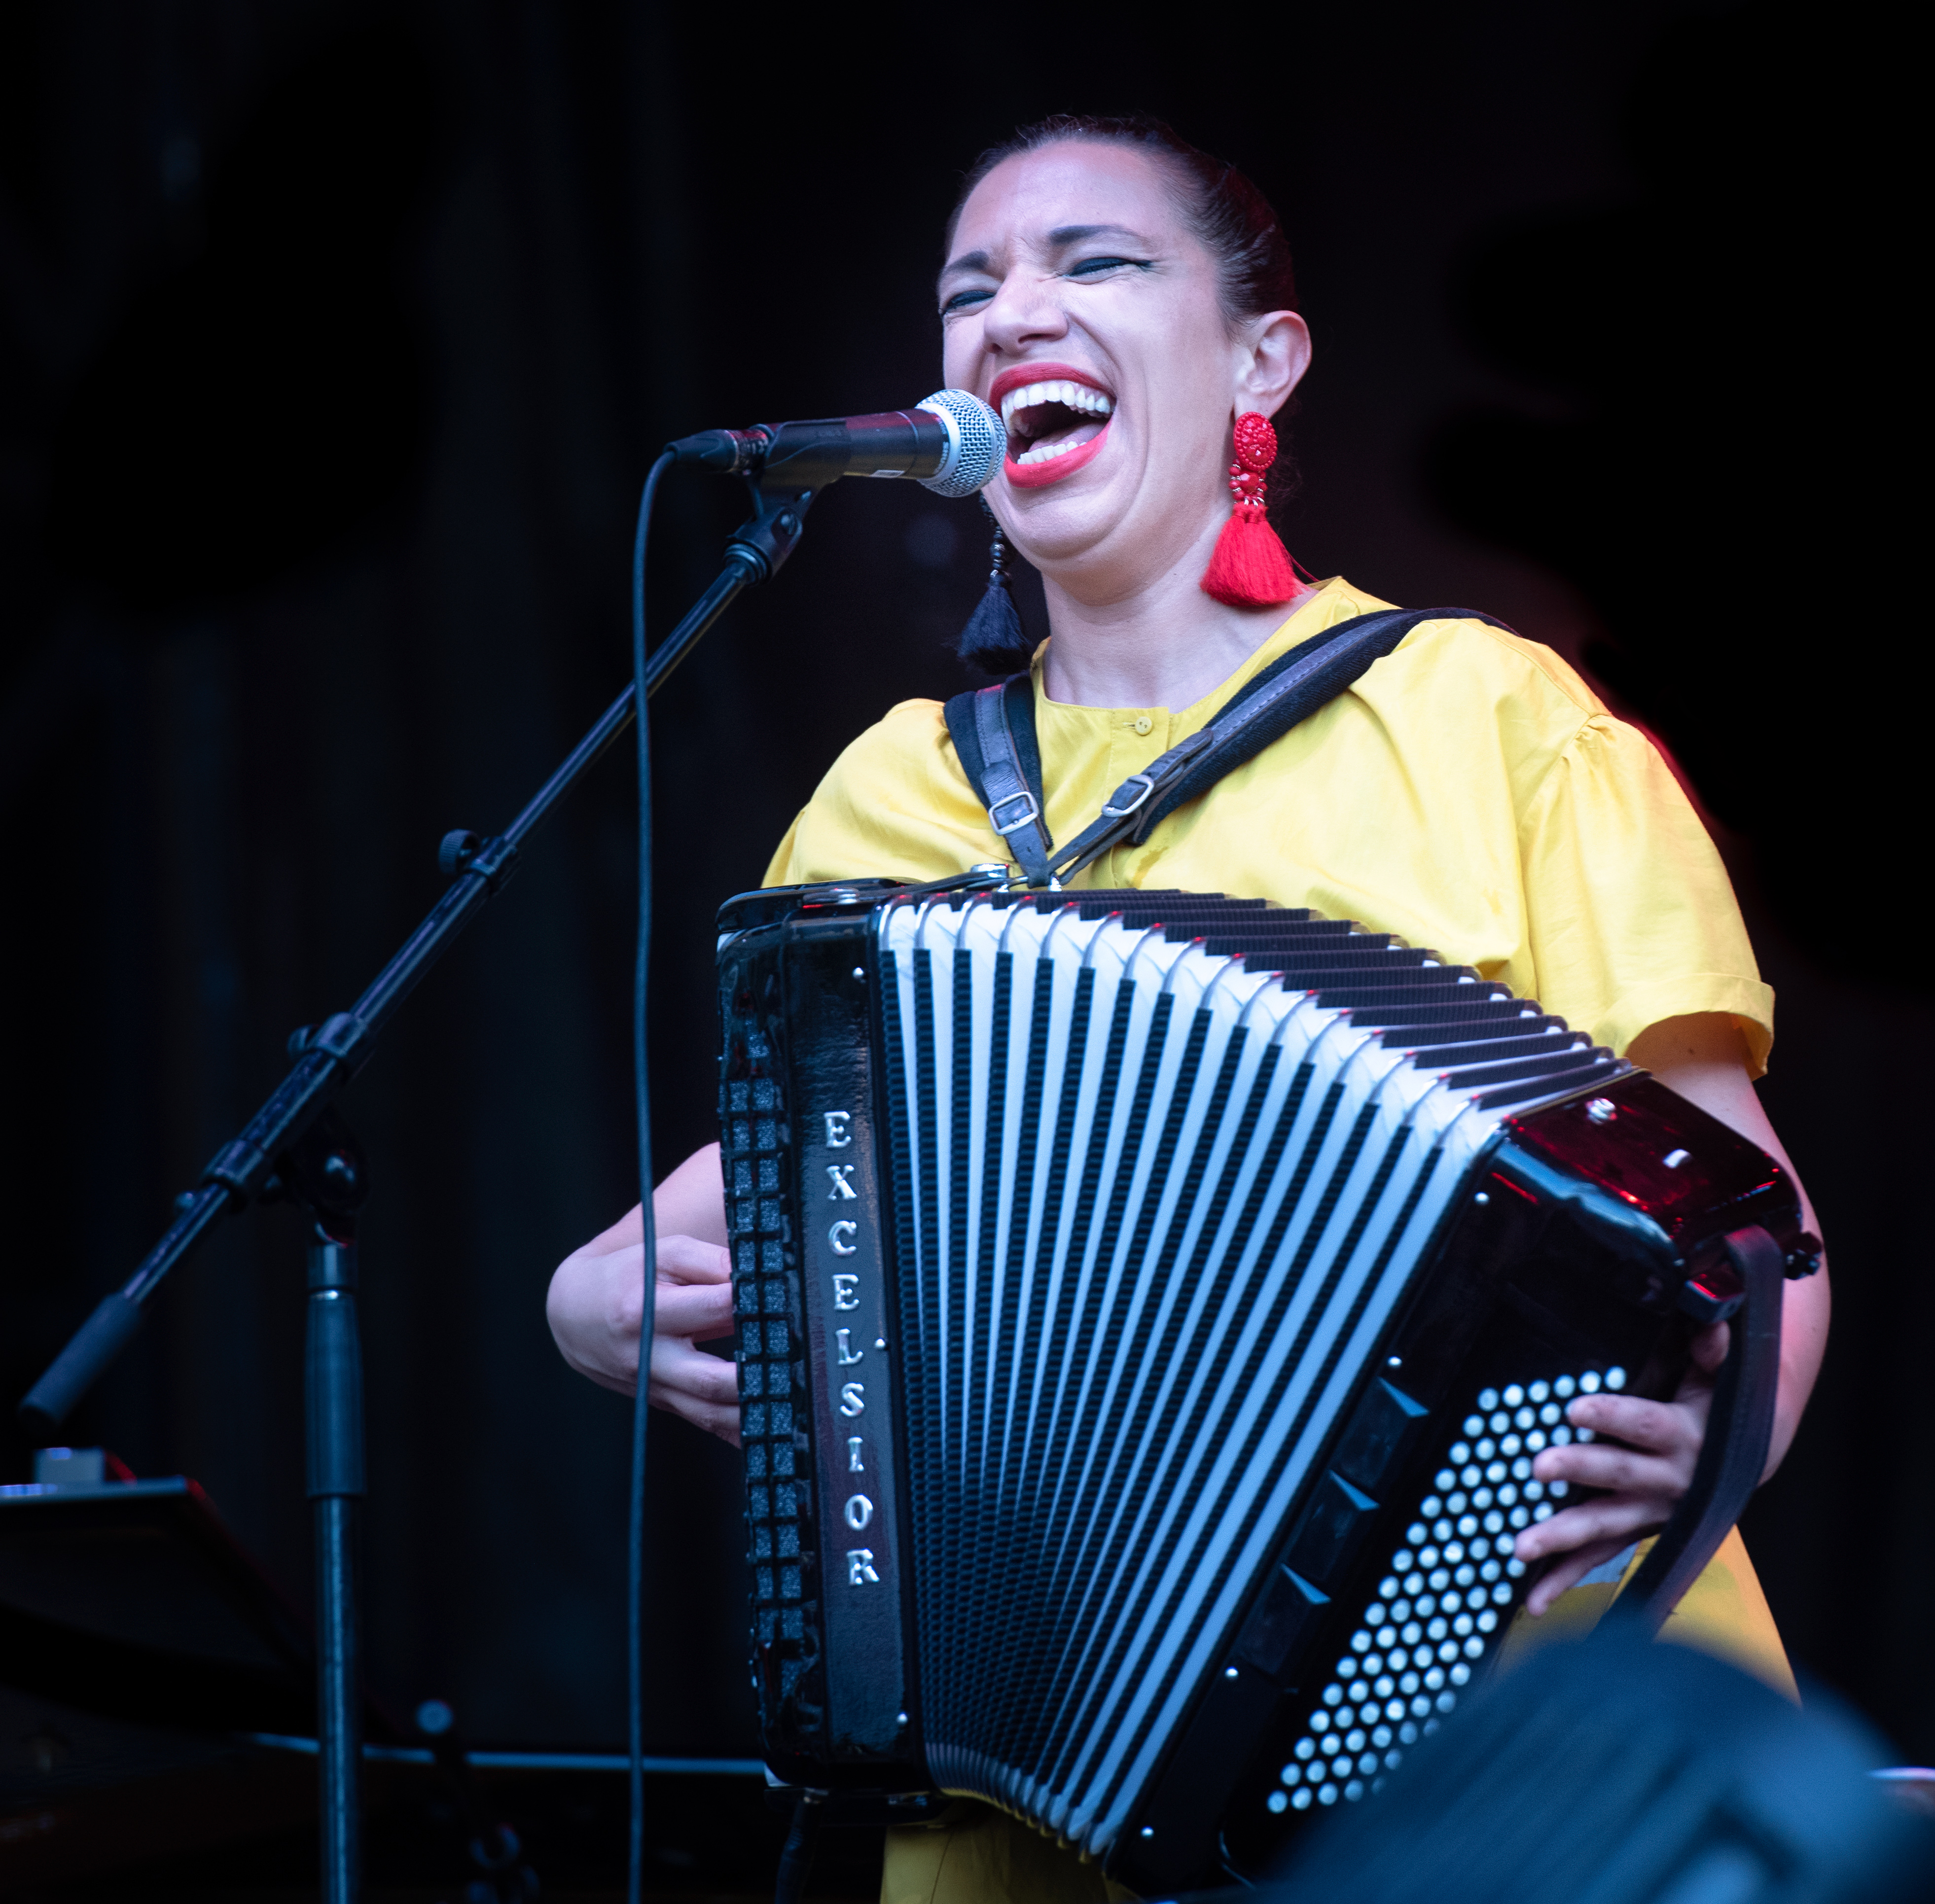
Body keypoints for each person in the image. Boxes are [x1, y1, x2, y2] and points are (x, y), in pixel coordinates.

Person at [548, 113, 1831, 1904]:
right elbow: (769, 1191)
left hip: (1514, 1730)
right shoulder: (885, 797)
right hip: (1037, 1753)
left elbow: (1763, 1233)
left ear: (1262, 359)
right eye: (968, 289)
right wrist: (592, 1298)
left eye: (1097, 264)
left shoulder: (1491, 721)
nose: (1012, 316)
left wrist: (1710, 1449)